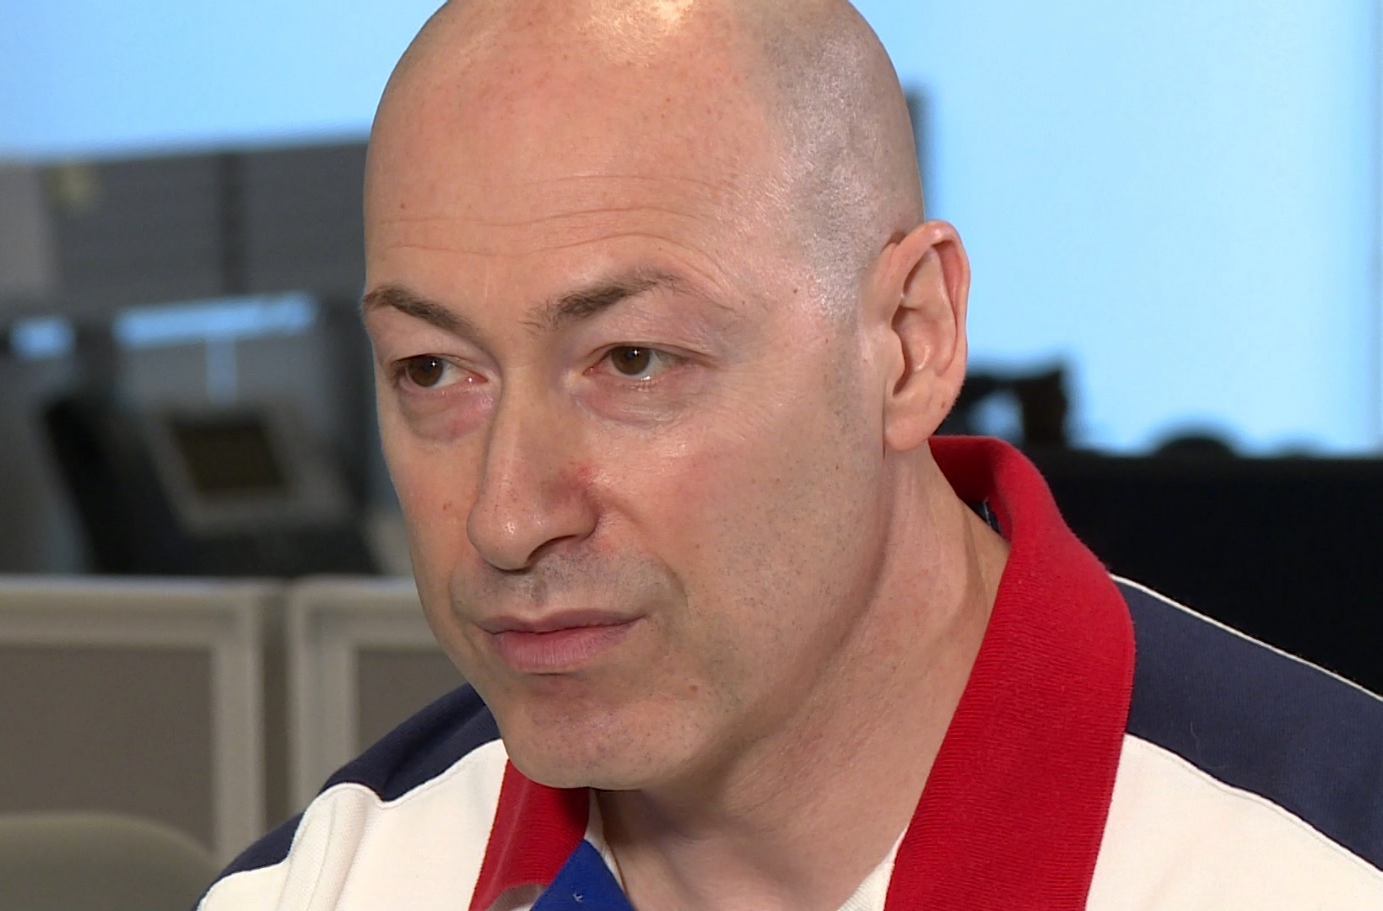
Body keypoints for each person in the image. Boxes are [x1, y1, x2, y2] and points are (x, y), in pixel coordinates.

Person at [199, 1, 1382, 908]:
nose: (507, 517)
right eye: (431, 370)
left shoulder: (1316, 866)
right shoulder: (333, 882)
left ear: (908, 343)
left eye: (632, 360)